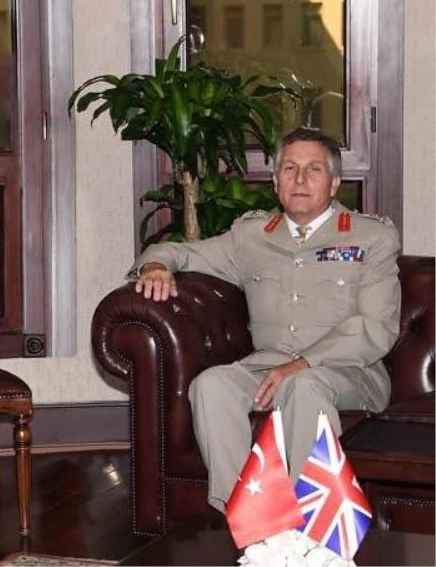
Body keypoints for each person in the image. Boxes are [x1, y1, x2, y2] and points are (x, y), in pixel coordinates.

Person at [131, 127, 401, 512]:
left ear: (334, 183)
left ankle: (312, 521)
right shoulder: (252, 236)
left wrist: (302, 363)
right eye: (289, 168)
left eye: (314, 169)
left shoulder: (371, 237)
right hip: (269, 367)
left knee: (303, 386)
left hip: (351, 371)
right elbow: (181, 252)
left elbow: (376, 327)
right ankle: (248, 516)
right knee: (212, 385)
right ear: (275, 182)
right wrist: (155, 266)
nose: (300, 179)